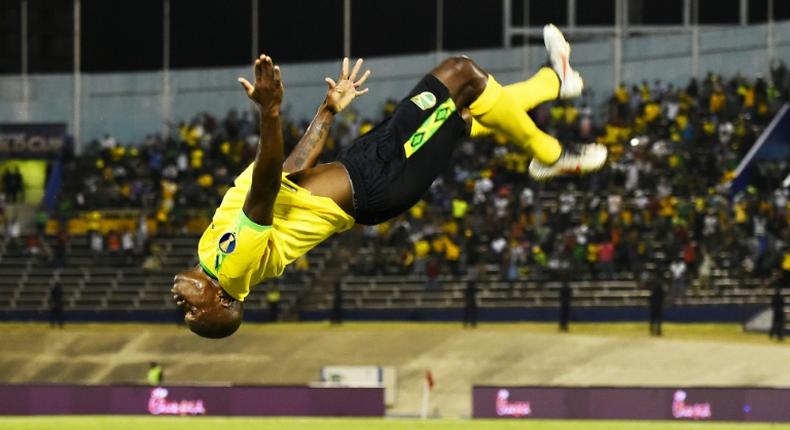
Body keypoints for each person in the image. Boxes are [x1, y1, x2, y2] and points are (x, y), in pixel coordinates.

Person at [172, 25, 607, 338]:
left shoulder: (210, 252)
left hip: (364, 167)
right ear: (223, 301)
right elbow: (264, 187)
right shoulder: (231, 267)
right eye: (196, 314)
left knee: (465, 112)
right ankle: (553, 155)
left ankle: (555, 80)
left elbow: (287, 169)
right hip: (378, 181)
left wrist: (327, 111)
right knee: (461, 73)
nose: (183, 308)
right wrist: (270, 112)